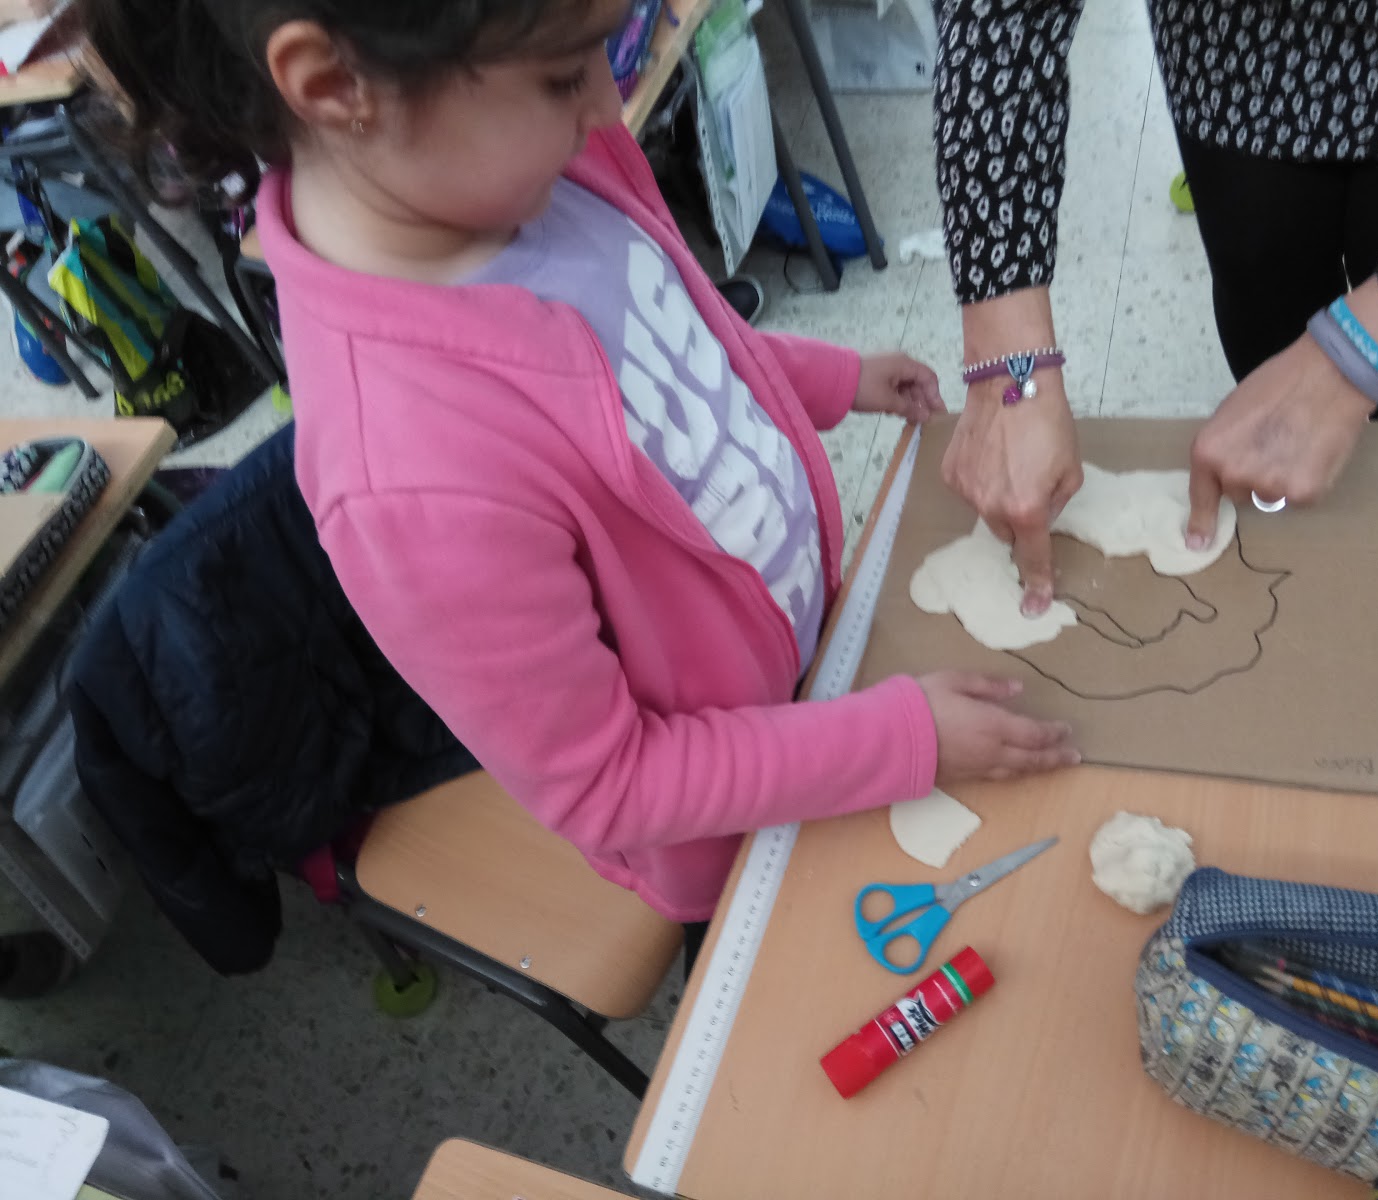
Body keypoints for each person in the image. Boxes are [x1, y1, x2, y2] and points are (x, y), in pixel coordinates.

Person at [81, 0, 1080, 930]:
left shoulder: (537, 168)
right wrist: (896, 740)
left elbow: (669, 335)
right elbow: (613, 783)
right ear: (334, 84)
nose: (609, 103)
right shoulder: (411, 473)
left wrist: (830, 377)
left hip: (819, 666)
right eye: (565, 74)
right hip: (744, 831)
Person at [934, 0, 1378, 615]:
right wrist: (1007, 362)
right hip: (1237, 49)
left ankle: (1375, 573)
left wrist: (1367, 350)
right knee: (1266, 325)